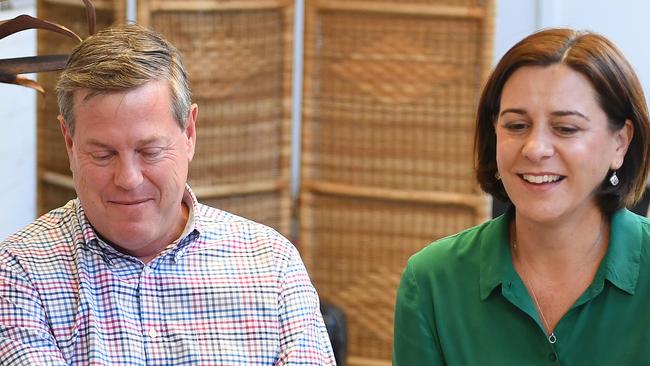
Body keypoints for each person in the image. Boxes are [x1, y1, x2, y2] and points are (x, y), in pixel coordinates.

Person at [0, 23, 336, 365]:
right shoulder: (21, 273)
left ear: (189, 133)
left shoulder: (272, 265)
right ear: (69, 143)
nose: (128, 179)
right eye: (103, 154)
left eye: (150, 151)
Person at [393, 28, 650, 365]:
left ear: (620, 143)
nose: (535, 149)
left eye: (566, 128)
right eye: (516, 126)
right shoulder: (432, 281)